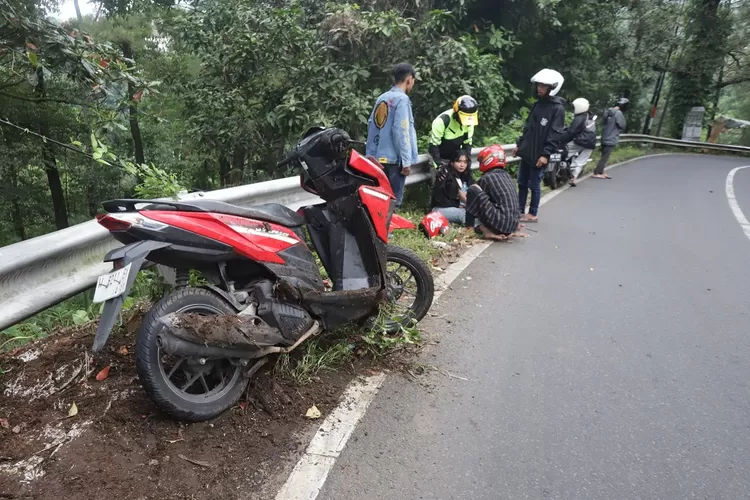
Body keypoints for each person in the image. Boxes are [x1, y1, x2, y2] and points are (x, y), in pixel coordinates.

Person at [513, 69, 566, 223]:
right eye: (539, 85)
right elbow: (528, 128)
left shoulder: (557, 108)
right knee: (522, 182)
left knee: (534, 184)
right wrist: (519, 145)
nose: (540, 88)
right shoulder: (538, 104)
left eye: (544, 85)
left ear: (552, 87)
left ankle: (533, 213)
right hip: (527, 151)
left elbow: (555, 134)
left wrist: (546, 154)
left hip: (540, 154)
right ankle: (519, 210)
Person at [366, 63, 419, 208]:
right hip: (395, 160)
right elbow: (402, 131)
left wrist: (370, 155)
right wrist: (406, 161)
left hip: (378, 158)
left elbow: (372, 125)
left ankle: (378, 230)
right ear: (409, 79)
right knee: (393, 201)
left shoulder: (382, 98)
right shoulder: (402, 100)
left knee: (379, 198)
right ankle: (387, 230)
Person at [466, 145, 524, 241]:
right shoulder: (507, 176)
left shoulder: (487, 178)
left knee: (473, 189)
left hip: (499, 225)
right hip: (512, 226)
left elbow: (476, 200)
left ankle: (469, 228)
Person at [428, 96, 478, 169]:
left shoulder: (470, 123)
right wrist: (439, 166)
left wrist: (468, 164)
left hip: (455, 157)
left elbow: (467, 144)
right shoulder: (442, 121)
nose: (467, 123)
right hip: (438, 155)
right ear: (456, 113)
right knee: (441, 177)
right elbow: (434, 145)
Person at [429, 150, 475, 225]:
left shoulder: (466, 175)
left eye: (465, 162)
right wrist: (457, 205)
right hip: (440, 209)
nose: (462, 165)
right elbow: (439, 199)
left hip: (460, 207)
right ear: (452, 162)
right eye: (459, 161)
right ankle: (479, 228)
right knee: (466, 214)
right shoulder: (445, 174)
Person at [559, 97, 597, 186]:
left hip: (580, 142)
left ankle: (563, 169)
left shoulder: (579, 118)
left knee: (563, 152)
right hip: (591, 143)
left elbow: (571, 132)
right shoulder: (590, 117)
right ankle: (574, 178)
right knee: (581, 161)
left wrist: (561, 140)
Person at [593, 97, 629, 179]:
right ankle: (597, 172)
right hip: (611, 137)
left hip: (604, 136)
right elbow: (622, 125)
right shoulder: (618, 113)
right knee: (605, 157)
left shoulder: (607, 112)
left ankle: (600, 171)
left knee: (603, 155)